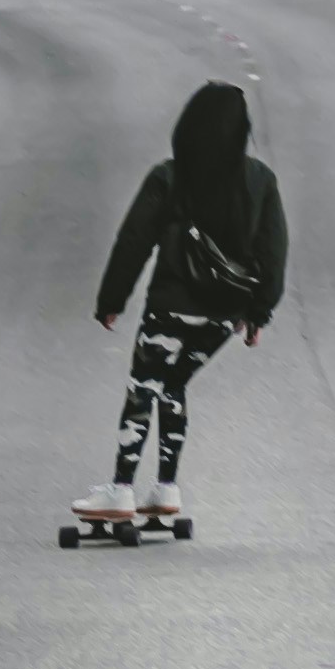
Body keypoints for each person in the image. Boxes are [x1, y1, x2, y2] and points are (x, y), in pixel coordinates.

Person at [93, 79, 287, 518]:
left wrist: (112, 298)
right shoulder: (260, 180)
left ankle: (121, 489)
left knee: (145, 386)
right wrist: (258, 313)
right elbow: (273, 252)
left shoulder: (169, 175)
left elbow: (134, 241)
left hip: (170, 306)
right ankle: (165, 487)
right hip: (223, 315)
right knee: (173, 384)